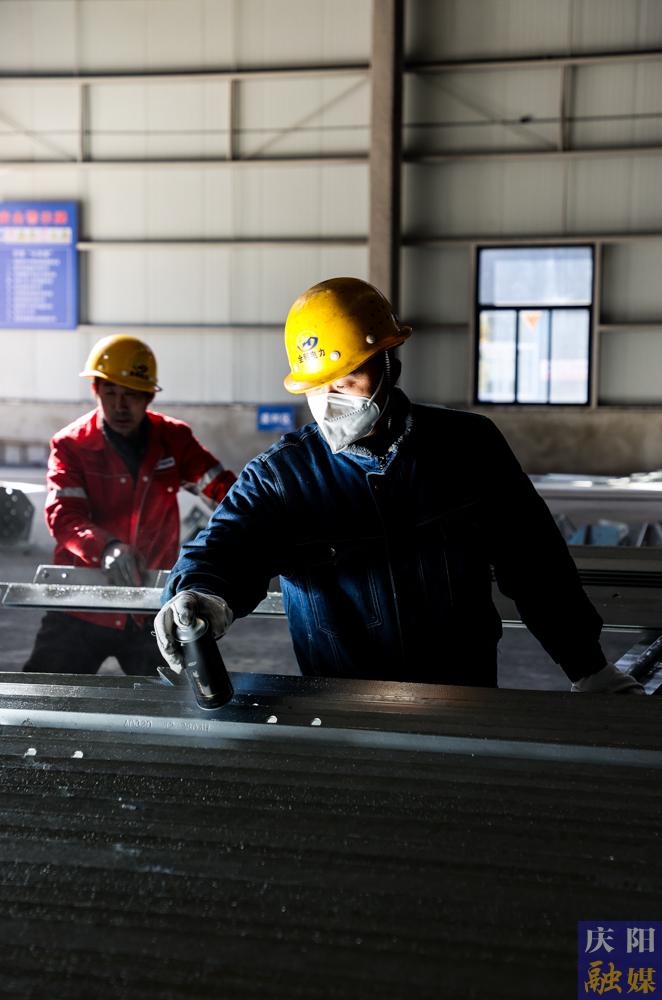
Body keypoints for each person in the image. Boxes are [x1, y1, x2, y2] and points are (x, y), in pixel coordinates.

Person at [154, 277, 642, 694]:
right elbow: (225, 545)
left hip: (465, 701)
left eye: (346, 377)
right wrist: (200, 592)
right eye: (317, 385)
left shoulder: (468, 448)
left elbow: (535, 562)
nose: (330, 400)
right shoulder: (282, 478)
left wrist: (588, 666)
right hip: (343, 711)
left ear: (389, 363)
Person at [24, 334, 237, 677]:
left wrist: (253, 531)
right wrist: (105, 547)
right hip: (81, 602)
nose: (120, 406)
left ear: (149, 396)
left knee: (182, 701)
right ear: (96, 390)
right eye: (110, 393)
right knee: (42, 695)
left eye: (132, 395)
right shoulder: (71, 445)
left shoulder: (174, 439)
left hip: (152, 604)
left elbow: (226, 493)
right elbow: (64, 516)